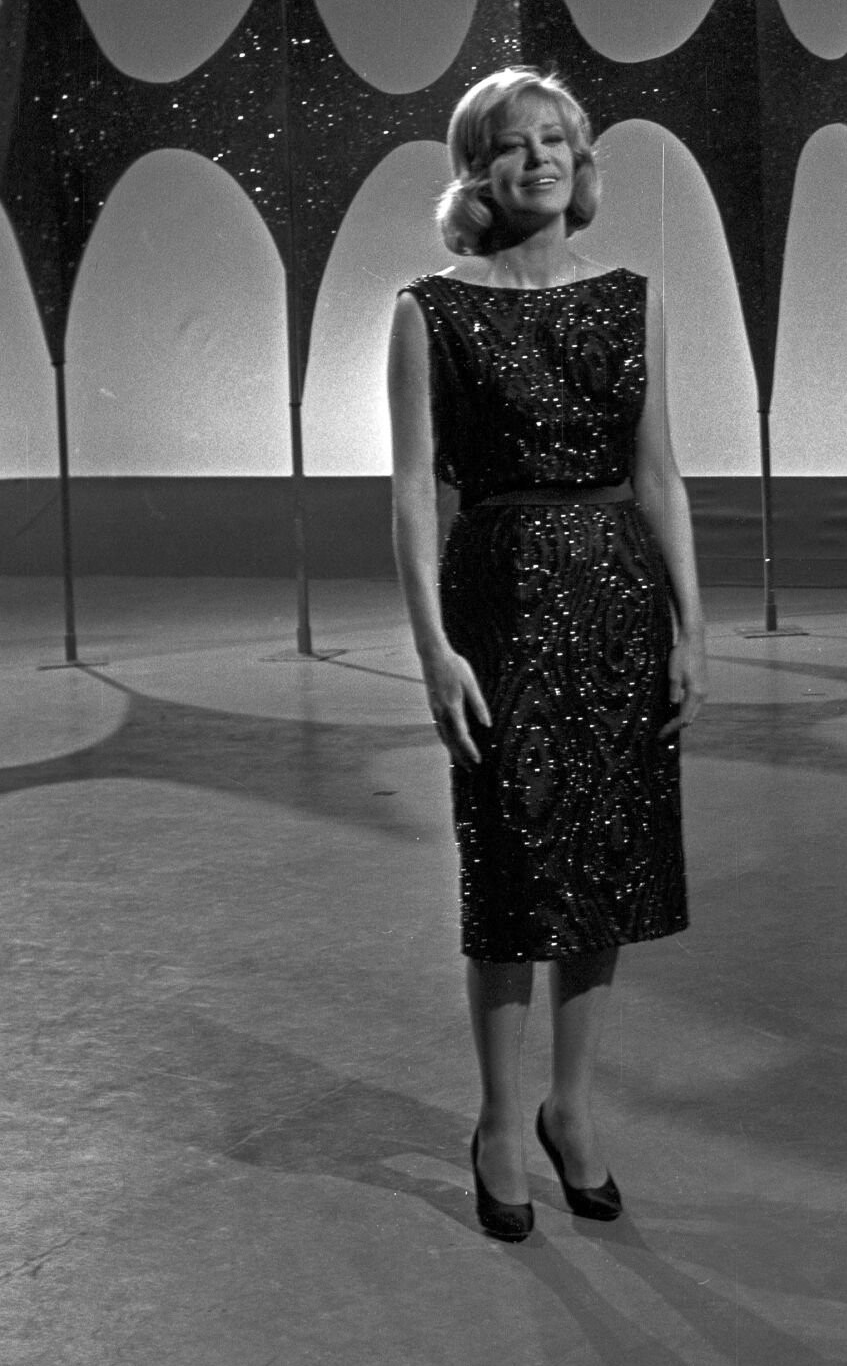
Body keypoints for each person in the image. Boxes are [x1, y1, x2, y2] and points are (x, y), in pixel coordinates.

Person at [386, 66, 707, 1243]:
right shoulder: (430, 308)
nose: (543, 157)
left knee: (607, 860)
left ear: (582, 159)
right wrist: (432, 647)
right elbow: (414, 493)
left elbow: (659, 472)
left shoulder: (633, 299)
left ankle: (571, 1107)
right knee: (514, 866)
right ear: (478, 171)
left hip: (618, 598)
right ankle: (497, 1121)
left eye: (558, 137)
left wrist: (692, 624)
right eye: (516, 144)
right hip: (501, 600)